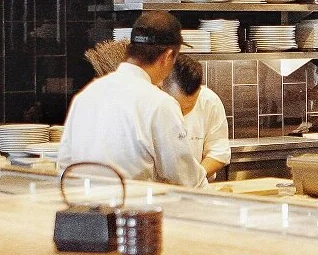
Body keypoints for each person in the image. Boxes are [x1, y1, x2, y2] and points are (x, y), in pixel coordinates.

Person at [58, 12, 209, 188]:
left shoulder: (86, 96)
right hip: (132, 204)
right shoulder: (159, 103)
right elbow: (185, 178)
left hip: (80, 202)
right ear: (168, 56)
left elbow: (64, 164)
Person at [165, 53, 231, 179]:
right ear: (162, 87)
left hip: (197, 186)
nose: (181, 113)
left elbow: (218, 152)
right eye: (177, 106)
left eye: (188, 107)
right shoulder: (152, 105)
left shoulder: (209, 101)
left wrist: (195, 178)